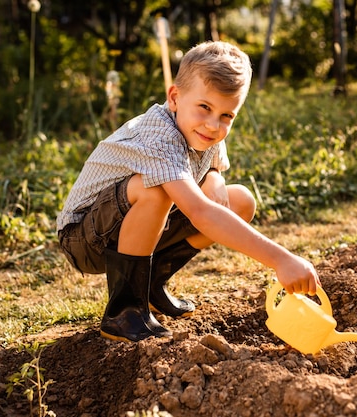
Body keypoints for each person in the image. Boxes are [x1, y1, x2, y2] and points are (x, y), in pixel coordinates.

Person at [57, 41, 321, 343]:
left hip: (129, 229)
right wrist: (281, 259)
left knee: (240, 201)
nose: (213, 125)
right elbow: (200, 212)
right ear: (175, 97)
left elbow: (212, 168)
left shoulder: (201, 128)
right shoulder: (158, 135)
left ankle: (152, 284)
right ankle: (124, 312)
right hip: (84, 239)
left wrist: (213, 177)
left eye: (227, 116)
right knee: (155, 191)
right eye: (205, 108)